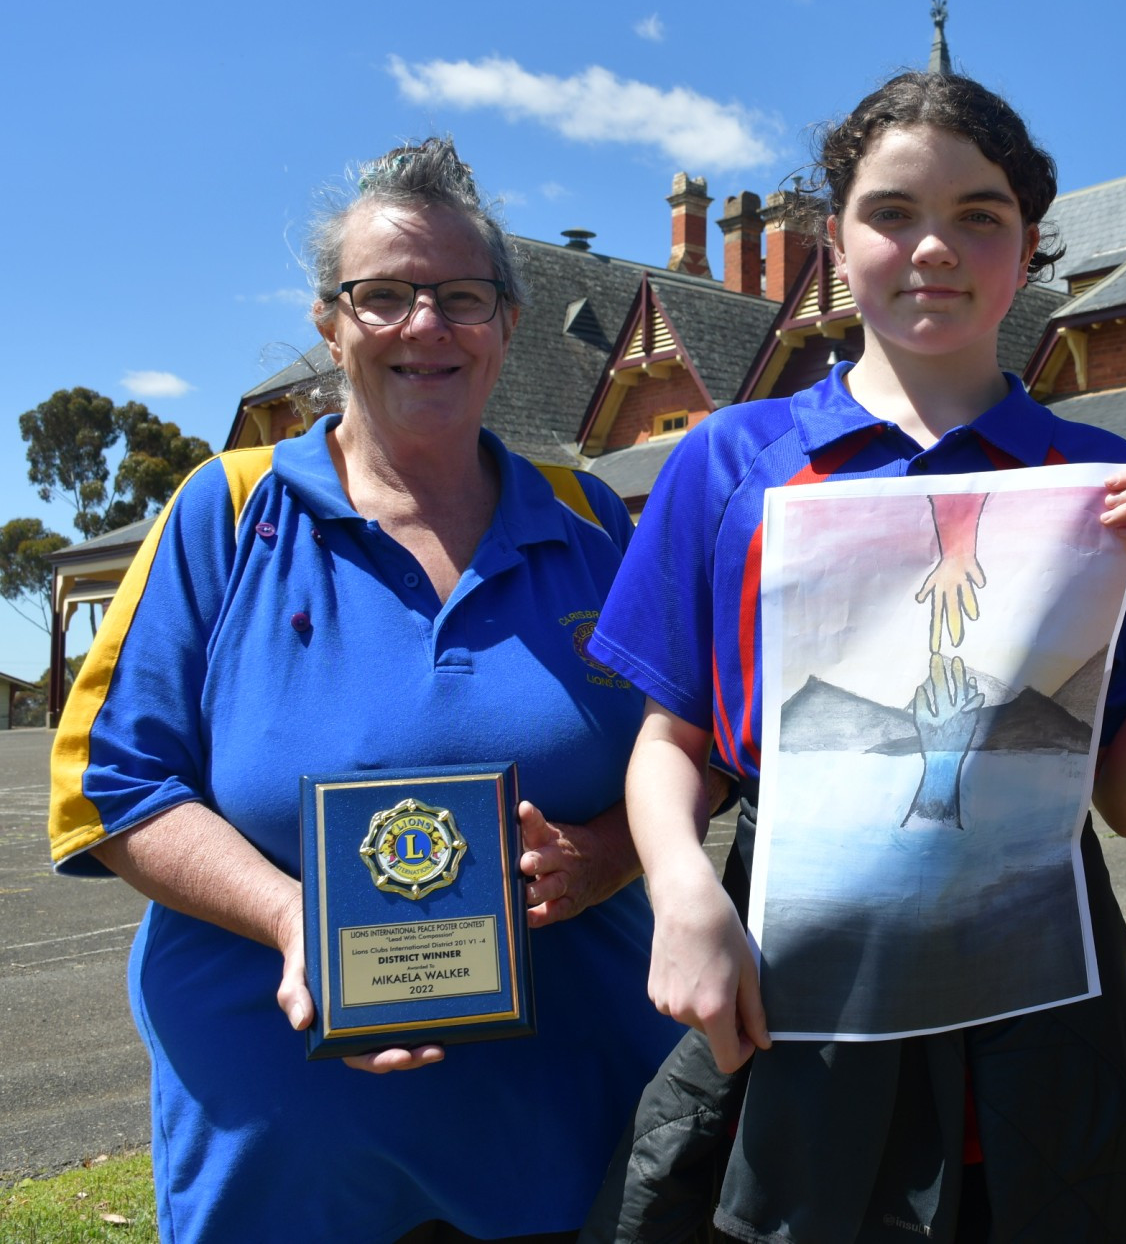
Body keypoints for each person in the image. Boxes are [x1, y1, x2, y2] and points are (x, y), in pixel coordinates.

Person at [581, 70, 1126, 1242]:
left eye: (977, 216)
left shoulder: (1096, 480)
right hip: (793, 979)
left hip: (1039, 995)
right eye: (891, 212)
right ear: (833, 241)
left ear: (1027, 246)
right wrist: (678, 888)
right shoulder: (730, 462)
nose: (933, 247)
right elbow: (669, 738)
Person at [47, 138, 681, 1244]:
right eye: (383, 295)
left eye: (461, 297)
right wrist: (296, 917)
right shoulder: (226, 510)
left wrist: (613, 851)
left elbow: (689, 746)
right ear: (330, 323)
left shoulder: (593, 520)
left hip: (570, 1144)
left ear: (508, 324)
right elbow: (113, 784)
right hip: (287, 1169)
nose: (424, 326)